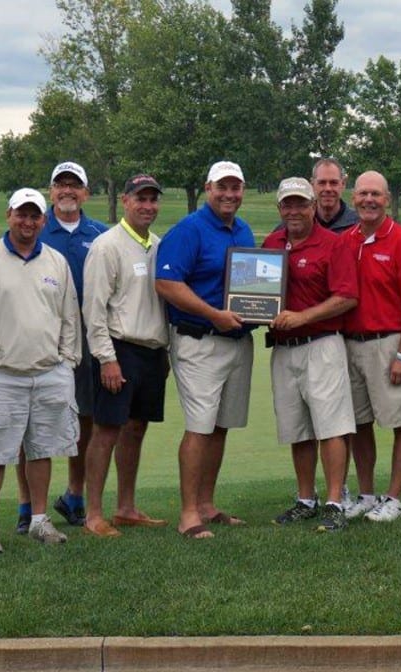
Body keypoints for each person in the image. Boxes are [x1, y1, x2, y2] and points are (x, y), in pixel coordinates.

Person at [0, 188, 81, 554]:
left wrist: (68, 362)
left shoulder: (56, 262)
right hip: (0, 373)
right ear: (8, 215)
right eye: (21, 214)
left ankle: (40, 520)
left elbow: (69, 317)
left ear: (43, 221)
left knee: (42, 449)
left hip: (48, 372)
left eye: (34, 216)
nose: (27, 222)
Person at [154, 161, 256, 539]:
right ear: (208, 188)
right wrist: (214, 314)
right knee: (199, 427)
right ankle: (187, 515)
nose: (229, 194)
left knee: (220, 426)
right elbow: (166, 282)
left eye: (236, 187)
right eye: (222, 187)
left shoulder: (243, 229)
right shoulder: (189, 229)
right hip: (198, 341)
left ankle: (207, 504)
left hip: (236, 340)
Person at [11, 161, 108, 533]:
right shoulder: (33, 227)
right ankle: (25, 505)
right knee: (28, 422)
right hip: (36, 336)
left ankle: (74, 496)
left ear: (86, 192)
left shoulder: (100, 234)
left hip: (86, 334)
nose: (67, 191)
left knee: (85, 417)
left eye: (75, 185)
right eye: (60, 184)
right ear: (51, 191)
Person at [264, 177, 359, 532]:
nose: (294, 211)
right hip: (284, 349)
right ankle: (306, 498)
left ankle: (334, 501)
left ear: (314, 206)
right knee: (297, 427)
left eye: (301, 204)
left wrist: (303, 316)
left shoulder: (333, 244)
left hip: (322, 345)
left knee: (332, 427)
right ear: (279, 209)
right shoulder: (272, 242)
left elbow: (347, 297)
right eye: (287, 205)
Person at [79, 174, 169, 537]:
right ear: (126, 201)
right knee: (106, 431)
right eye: (140, 199)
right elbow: (94, 309)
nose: (147, 206)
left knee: (136, 429)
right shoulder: (107, 246)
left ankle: (126, 507)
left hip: (152, 350)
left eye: (152, 199)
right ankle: (93, 514)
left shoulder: (159, 245)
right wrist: (106, 358)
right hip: (119, 349)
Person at [341, 170, 401, 523]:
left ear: (387, 199)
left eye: (376, 194)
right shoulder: (346, 240)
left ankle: (394, 498)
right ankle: (366, 494)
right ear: (354, 199)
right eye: (363, 194)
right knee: (359, 422)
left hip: (390, 343)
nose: (369, 200)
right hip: (350, 344)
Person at [311, 157, 360, 233]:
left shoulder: (360, 224)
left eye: (334, 183)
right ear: (313, 184)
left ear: (343, 184)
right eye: (322, 182)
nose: (328, 189)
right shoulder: (302, 224)